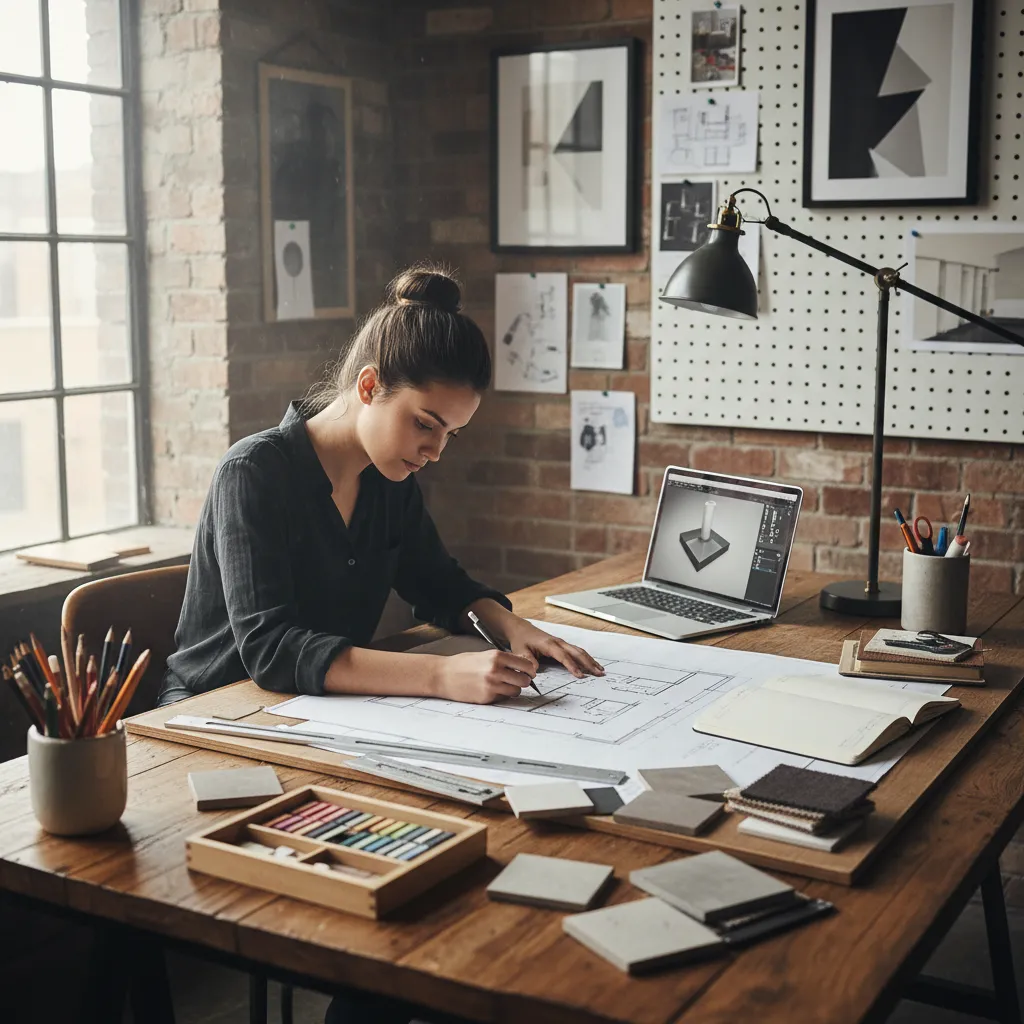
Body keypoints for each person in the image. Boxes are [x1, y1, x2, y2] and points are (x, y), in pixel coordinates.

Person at [159, 265, 605, 1022]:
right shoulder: (253, 474)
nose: (435, 452)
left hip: (326, 720)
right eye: (425, 424)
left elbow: (438, 579)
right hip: (218, 729)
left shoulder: (391, 482)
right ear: (368, 387)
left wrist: (507, 622)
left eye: (452, 436)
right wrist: (443, 679)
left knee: (466, 856)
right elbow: (268, 650)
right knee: (419, 887)